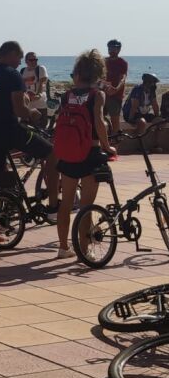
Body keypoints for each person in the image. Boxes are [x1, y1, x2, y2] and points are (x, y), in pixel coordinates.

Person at [0, 41, 58, 215]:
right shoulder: (12, 74)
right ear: (11, 54)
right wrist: (32, 113)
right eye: (19, 58)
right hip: (9, 130)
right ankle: (54, 206)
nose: (19, 62)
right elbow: (19, 109)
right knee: (52, 153)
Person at [55, 50, 116, 259]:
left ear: (78, 73)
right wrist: (108, 146)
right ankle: (84, 249)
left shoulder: (66, 96)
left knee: (66, 203)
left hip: (68, 153)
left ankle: (63, 247)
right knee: (86, 206)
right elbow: (99, 122)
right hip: (90, 152)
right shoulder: (97, 95)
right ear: (97, 73)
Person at [103, 39, 128, 135]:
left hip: (115, 96)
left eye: (114, 48)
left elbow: (122, 78)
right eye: (110, 48)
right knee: (98, 118)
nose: (112, 50)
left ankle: (115, 142)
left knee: (115, 122)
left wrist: (116, 89)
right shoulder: (104, 61)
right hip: (103, 95)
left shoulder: (122, 63)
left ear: (119, 49)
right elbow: (100, 77)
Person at [20, 51, 49, 127]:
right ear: (26, 61)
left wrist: (38, 95)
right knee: (28, 126)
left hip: (40, 103)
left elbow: (42, 83)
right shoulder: (23, 71)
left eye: (35, 59)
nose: (34, 61)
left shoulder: (40, 68)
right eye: (31, 60)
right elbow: (21, 85)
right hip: (28, 104)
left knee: (41, 126)